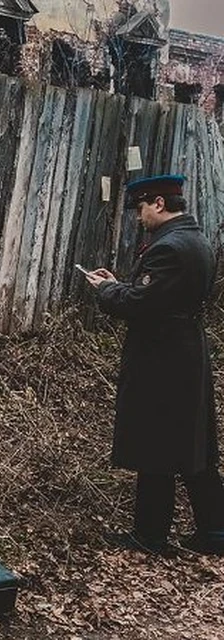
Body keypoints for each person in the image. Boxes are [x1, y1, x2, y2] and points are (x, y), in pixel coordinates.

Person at [85, 174, 224, 556]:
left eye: (142, 208)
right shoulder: (197, 241)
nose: (139, 216)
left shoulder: (169, 248)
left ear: (159, 204)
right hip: (187, 350)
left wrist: (107, 290)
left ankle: (151, 535)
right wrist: (125, 285)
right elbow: (156, 294)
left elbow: (138, 305)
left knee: (156, 445)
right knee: (194, 446)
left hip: (162, 356)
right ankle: (214, 531)